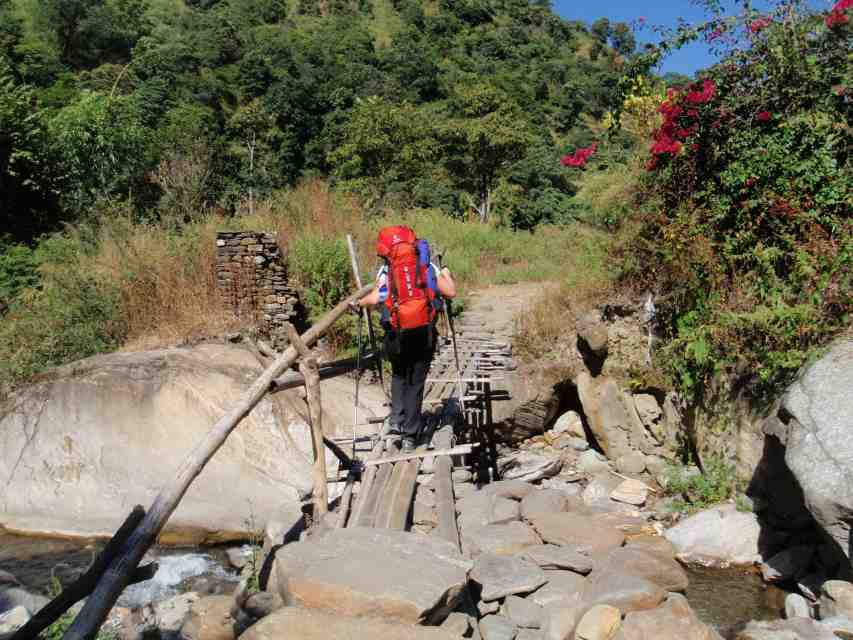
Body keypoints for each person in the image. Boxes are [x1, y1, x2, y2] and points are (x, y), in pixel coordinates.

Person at [356, 229, 456, 452]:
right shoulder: (427, 266)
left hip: (395, 332)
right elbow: (450, 292)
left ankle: (396, 422)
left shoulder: (386, 270)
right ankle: (411, 435)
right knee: (416, 381)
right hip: (423, 331)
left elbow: (376, 297)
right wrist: (447, 272)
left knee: (400, 374)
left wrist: (360, 302)